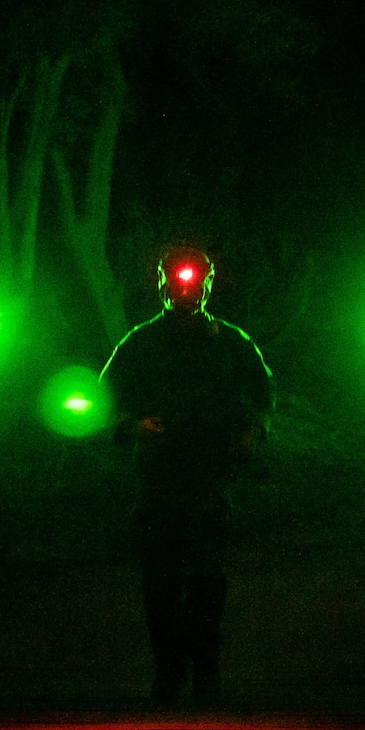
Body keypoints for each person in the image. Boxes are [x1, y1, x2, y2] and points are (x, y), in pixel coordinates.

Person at [100, 248, 273, 705]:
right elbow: (100, 404)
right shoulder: (139, 343)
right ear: (160, 284)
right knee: (160, 581)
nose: (185, 290)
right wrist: (134, 426)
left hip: (210, 480)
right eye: (176, 282)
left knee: (207, 580)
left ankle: (205, 673)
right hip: (158, 480)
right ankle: (170, 672)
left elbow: (262, 397)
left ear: (210, 284)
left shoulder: (231, 342)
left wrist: (249, 433)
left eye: (196, 281)